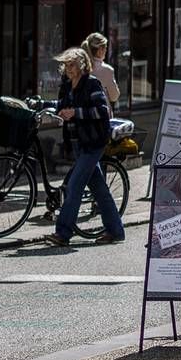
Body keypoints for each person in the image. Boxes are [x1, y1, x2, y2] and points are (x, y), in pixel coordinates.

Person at [45, 47, 124, 247]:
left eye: (71, 65)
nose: (68, 69)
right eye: (66, 65)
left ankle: (63, 233)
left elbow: (101, 111)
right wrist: (51, 109)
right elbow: (61, 106)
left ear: (81, 65)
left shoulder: (91, 83)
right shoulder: (66, 84)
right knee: (99, 189)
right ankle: (115, 231)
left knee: (74, 186)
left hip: (94, 141)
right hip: (77, 143)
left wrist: (76, 113)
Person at [85, 31, 121, 105]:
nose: (106, 51)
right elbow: (114, 96)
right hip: (100, 113)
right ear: (100, 50)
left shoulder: (79, 66)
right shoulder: (107, 70)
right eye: (105, 48)